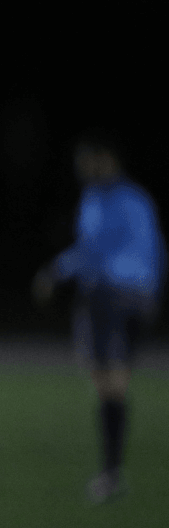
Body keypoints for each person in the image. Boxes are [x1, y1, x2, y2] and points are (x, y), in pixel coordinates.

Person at [33, 132, 164, 503]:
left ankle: (111, 474)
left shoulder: (100, 199)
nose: (82, 168)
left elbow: (93, 250)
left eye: (87, 160)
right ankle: (112, 472)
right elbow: (156, 249)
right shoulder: (140, 198)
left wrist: (55, 271)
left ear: (105, 159)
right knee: (116, 380)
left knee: (106, 382)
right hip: (142, 297)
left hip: (110, 294)